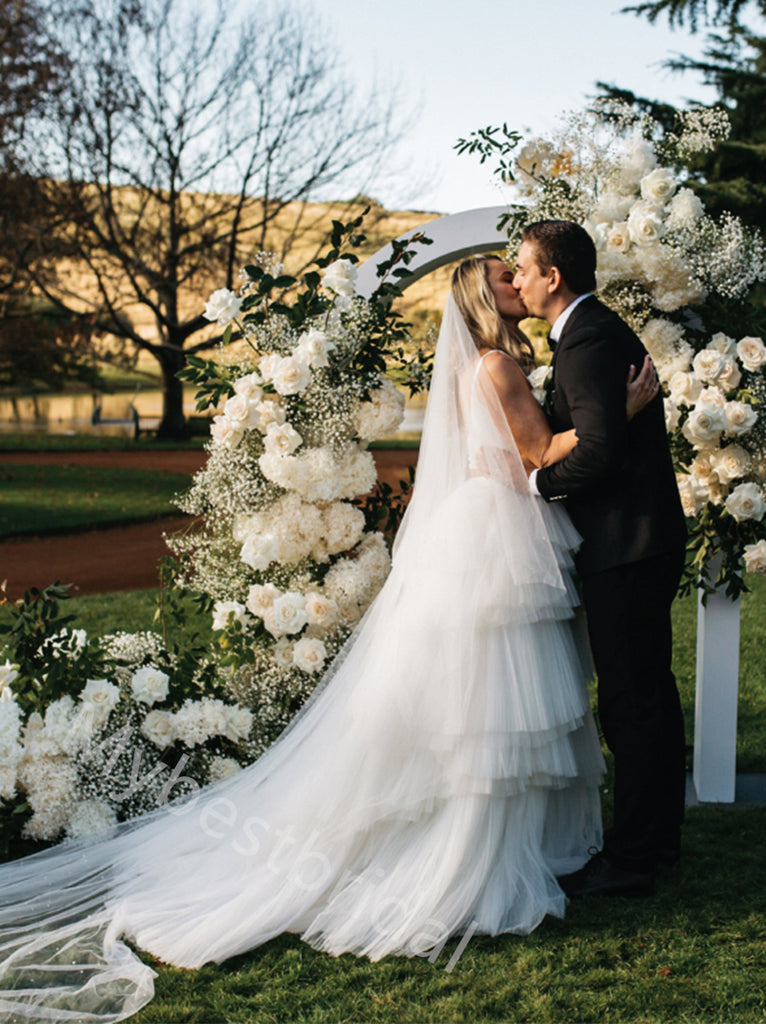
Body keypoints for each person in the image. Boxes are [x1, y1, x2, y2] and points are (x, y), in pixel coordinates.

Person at [0, 255, 655, 1024]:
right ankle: (479, 846)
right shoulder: (496, 365)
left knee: (486, 687)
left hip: (482, 523)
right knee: (498, 689)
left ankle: (496, 833)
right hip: (498, 531)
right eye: (504, 275)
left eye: (520, 271)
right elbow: (541, 454)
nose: (517, 279)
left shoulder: (480, 364)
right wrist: (625, 410)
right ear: (485, 295)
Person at [513, 220, 688, 899]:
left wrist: (534, 486)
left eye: (523, 268)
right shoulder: (594, 332)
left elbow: (598, 453)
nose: (518, 280)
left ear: (553, 276)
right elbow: (605, 434)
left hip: (626, 545)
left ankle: (634, 858)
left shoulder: (586, 340)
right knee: (648, 693)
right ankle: (658, 839)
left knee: (630, 702)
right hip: (641, 540)